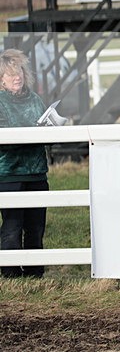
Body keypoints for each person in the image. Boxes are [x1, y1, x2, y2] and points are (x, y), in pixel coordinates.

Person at [0, 49, 49, 278]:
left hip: (37, 172)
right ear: (1, 79)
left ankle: (34, 272)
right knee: (12, 225)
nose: (16, 77)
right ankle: (10, 273)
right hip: (10, 174)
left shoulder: (36, 99)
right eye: (10, 74)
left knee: (36, 226)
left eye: (18, 71)